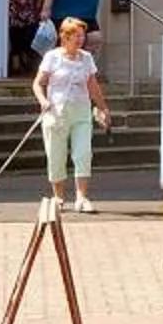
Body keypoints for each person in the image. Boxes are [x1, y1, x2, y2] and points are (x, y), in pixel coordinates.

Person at [32, 15, 110, 212]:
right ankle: (58, 197)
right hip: (56, 114)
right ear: (64, 37)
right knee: (56, 155)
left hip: (81, 112)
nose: (80, 39)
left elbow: (93, 86)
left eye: (82, 35)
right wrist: (43, 100)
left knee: (83, 153)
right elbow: (37, 84)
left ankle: (82, 197)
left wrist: (103, 108)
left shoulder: (86, 58)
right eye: (76, 35)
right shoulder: (52, 57)